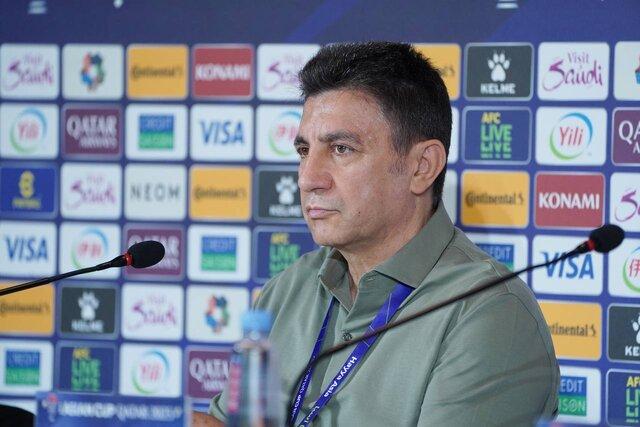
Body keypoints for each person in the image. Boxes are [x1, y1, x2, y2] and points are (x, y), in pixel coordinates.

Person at [193, 41, 559, 427]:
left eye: (341, 149)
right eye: (304, 151)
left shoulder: (490, 313)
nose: (307, 178)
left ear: (422, 166)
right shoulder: (287, 289)